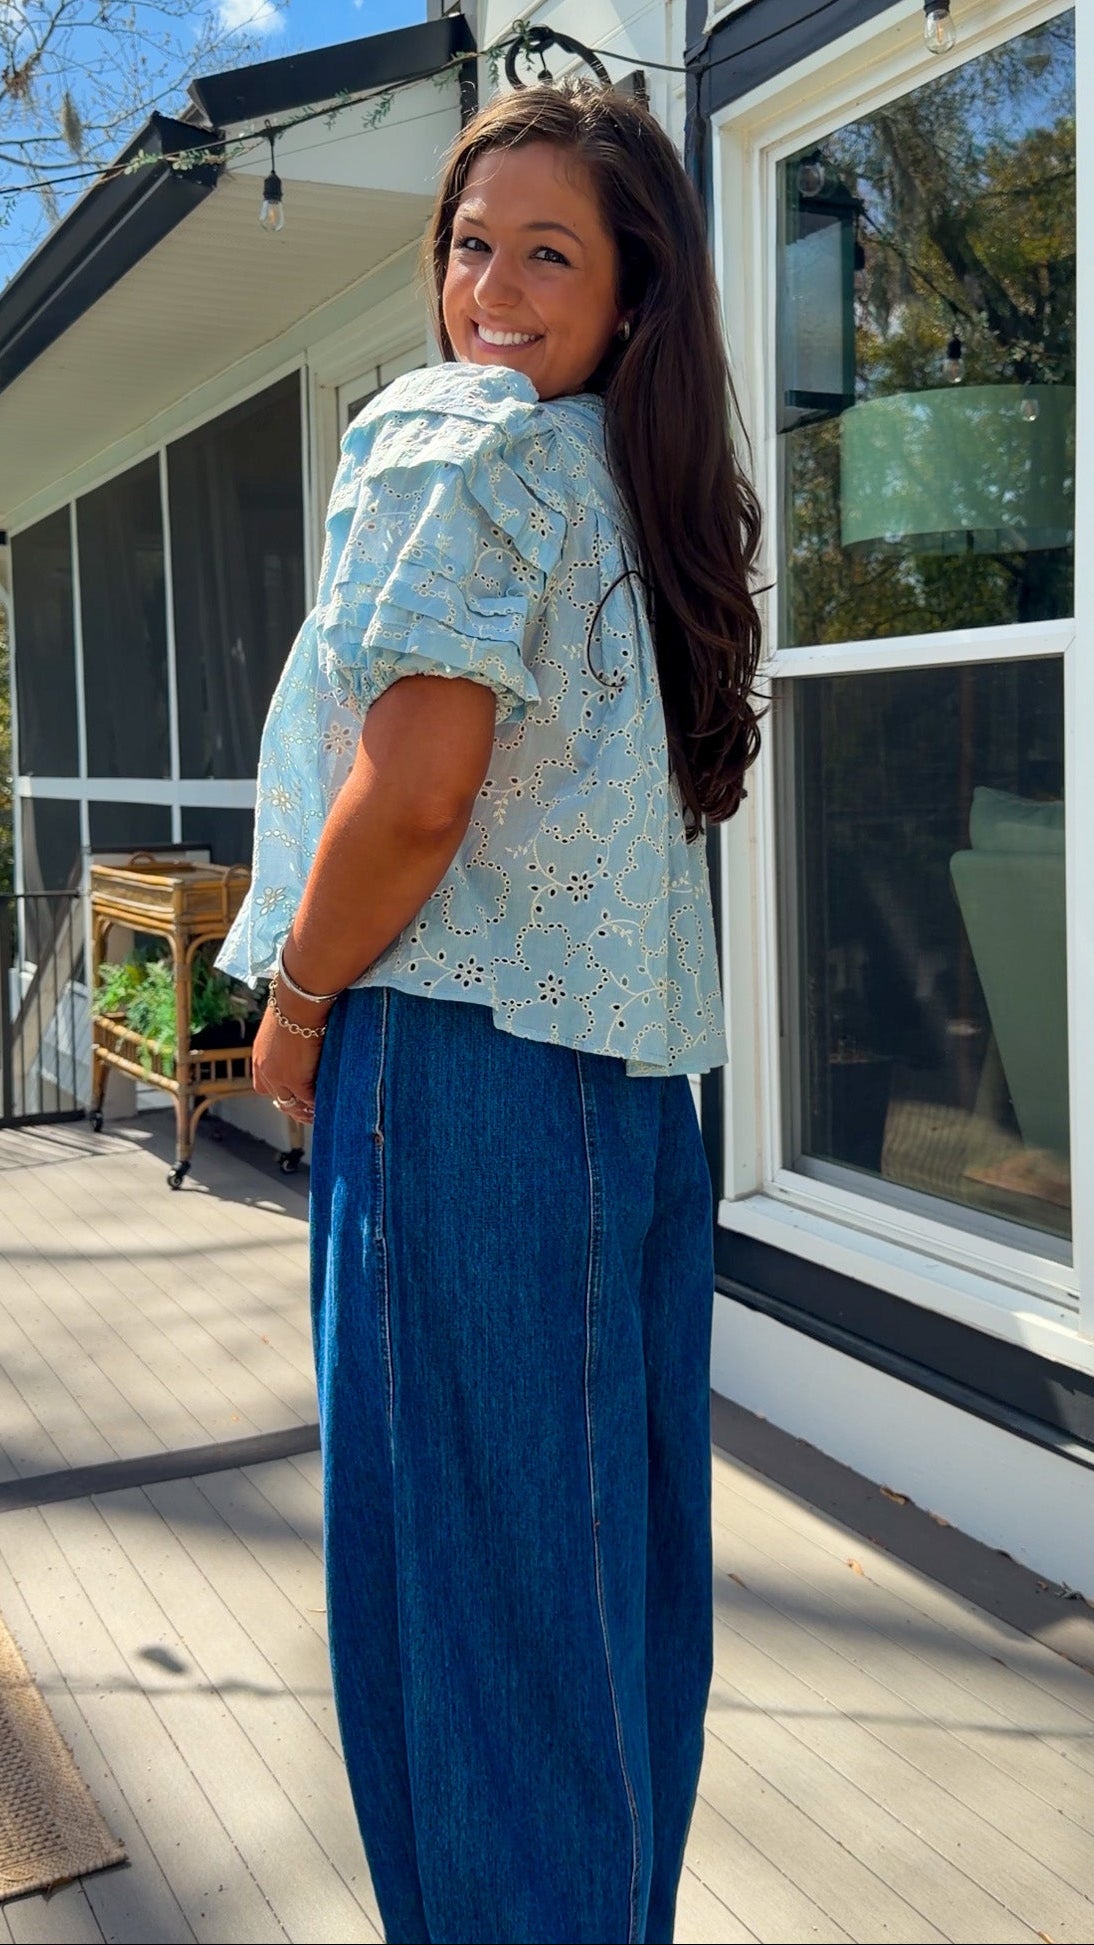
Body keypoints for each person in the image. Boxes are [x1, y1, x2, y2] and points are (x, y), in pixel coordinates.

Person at [218, 79, 761, 1945]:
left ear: (631, 293)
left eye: (549, 253)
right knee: (605, 1602)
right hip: (628, 1101)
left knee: (459, 1609)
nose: (493, 293)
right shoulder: (634, 487)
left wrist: (296, 1004)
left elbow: (418, 792)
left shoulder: (457, 438)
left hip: (453, 1083)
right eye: (469, 246)